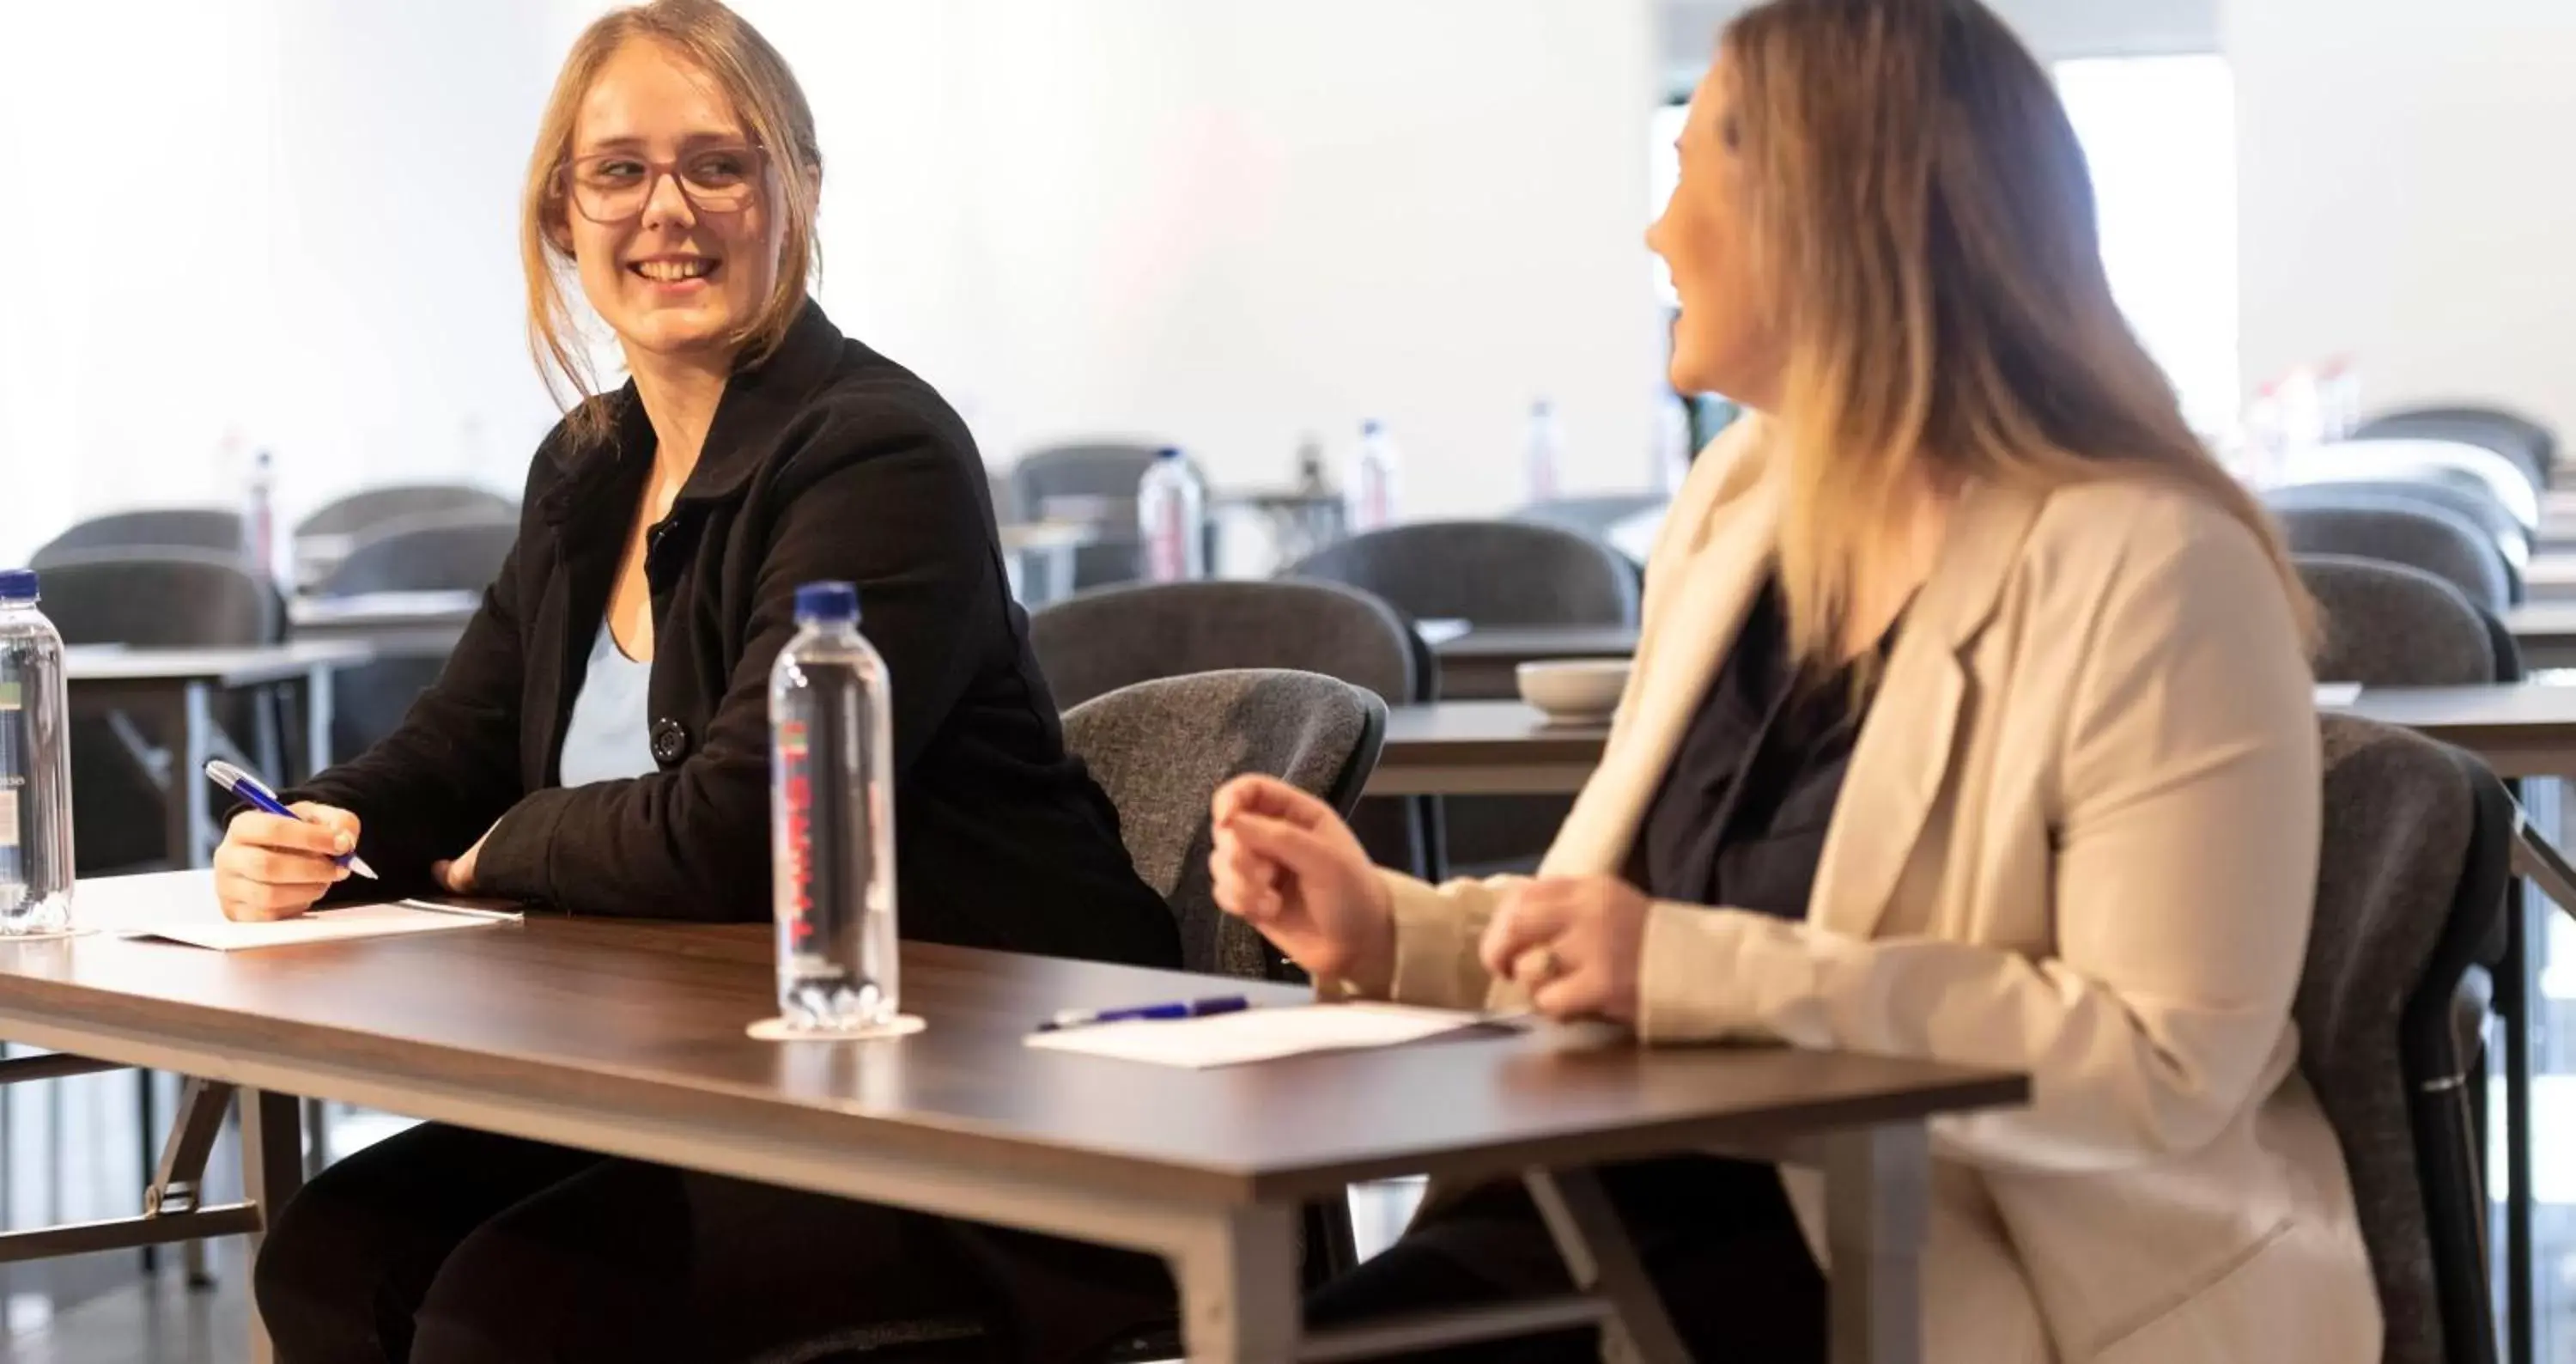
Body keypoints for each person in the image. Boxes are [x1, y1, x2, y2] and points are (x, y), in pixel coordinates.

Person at [1186, 1, 2378, 1360]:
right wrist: (1398, 934)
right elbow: (1644, 923)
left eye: (1691, 169)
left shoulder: (2155, 567)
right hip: (1629, 1208)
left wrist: (1694, 971)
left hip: (1959, 1268)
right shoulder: (1739, 500)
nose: (1657, 230)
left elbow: (2161, 1066)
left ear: (1827, 210)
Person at [227, 3, 1180, 1360]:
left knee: (510, 1313)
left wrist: (497, 855)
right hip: (722, 1067)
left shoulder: (877, 453)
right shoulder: (588, 462)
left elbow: (751, 825)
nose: (667, 210)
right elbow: (462, 740)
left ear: (794, 193)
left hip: (983, 1096)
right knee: (333, 1254)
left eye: (717, 165)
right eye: (618, 171)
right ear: (564, 215)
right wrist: (318, 832)